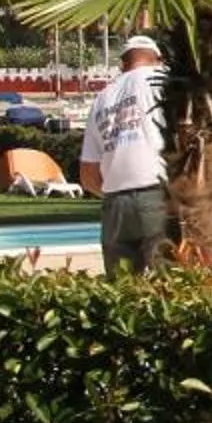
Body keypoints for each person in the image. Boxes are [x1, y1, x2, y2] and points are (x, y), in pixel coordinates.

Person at [89, 32, 170, 274]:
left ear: (123, 64)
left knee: (121, 286)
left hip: (115, 202)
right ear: (158, 60)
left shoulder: (102, 98)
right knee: (169, 282)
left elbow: (88, 173)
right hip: (155, 193)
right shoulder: (160, 80)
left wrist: (115, 192)